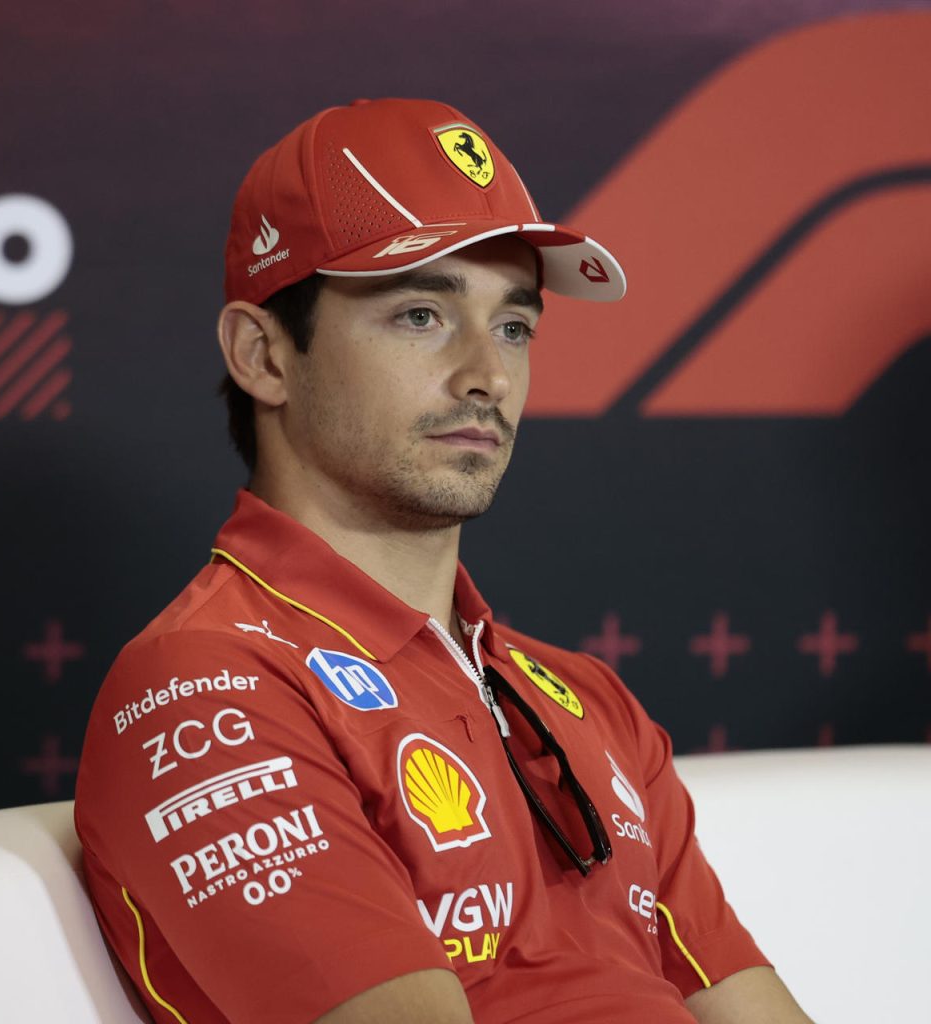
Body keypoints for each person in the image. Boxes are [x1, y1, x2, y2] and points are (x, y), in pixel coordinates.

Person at [73, 99, 813, 1024]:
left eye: (513, 327)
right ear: (263, 356)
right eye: (421, 314)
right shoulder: (208, 690)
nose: (488, 376)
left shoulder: (587, 702)